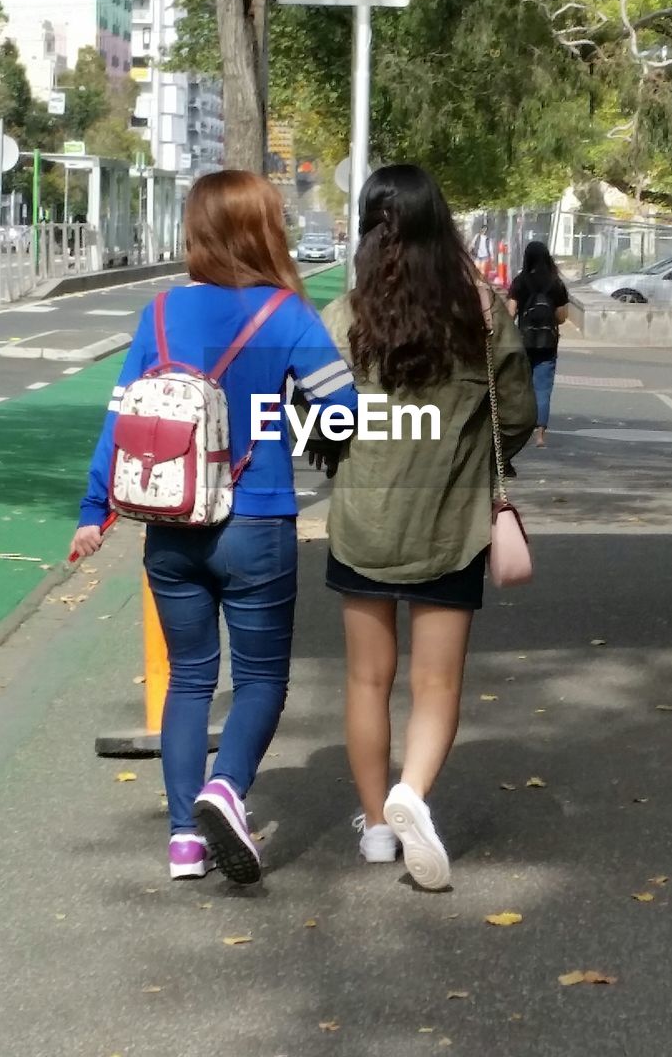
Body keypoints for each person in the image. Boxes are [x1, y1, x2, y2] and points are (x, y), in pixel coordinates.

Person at [70, 170, 358, 886]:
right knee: (261, 678)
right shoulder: (286, 314)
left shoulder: (161, 314)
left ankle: (182, 844)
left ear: (196, 230)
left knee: (189, 682)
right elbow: (342, 413)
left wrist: (93, 514)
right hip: (256, 522)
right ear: (264, 229)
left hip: (170, 525)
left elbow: (122, 419)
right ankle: (224, 789)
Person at [318, 166, 536, 890]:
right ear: (439, 225)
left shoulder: (344, 318)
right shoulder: (479, 313)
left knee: (365, 680)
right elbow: (515, 416)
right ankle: (410, 791)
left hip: (363, 522)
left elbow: (317, 419)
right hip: (450, 521)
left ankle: (377, 830)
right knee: (436, 683)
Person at [507, 241, 569, 448]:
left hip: (523, 341)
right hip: (547, 343)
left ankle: (517, 429)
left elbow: (510, 312)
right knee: (542, 388)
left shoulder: (520, 281)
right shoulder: (555, 283)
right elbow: (562, 317)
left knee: (521, 387)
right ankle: (540, 435)